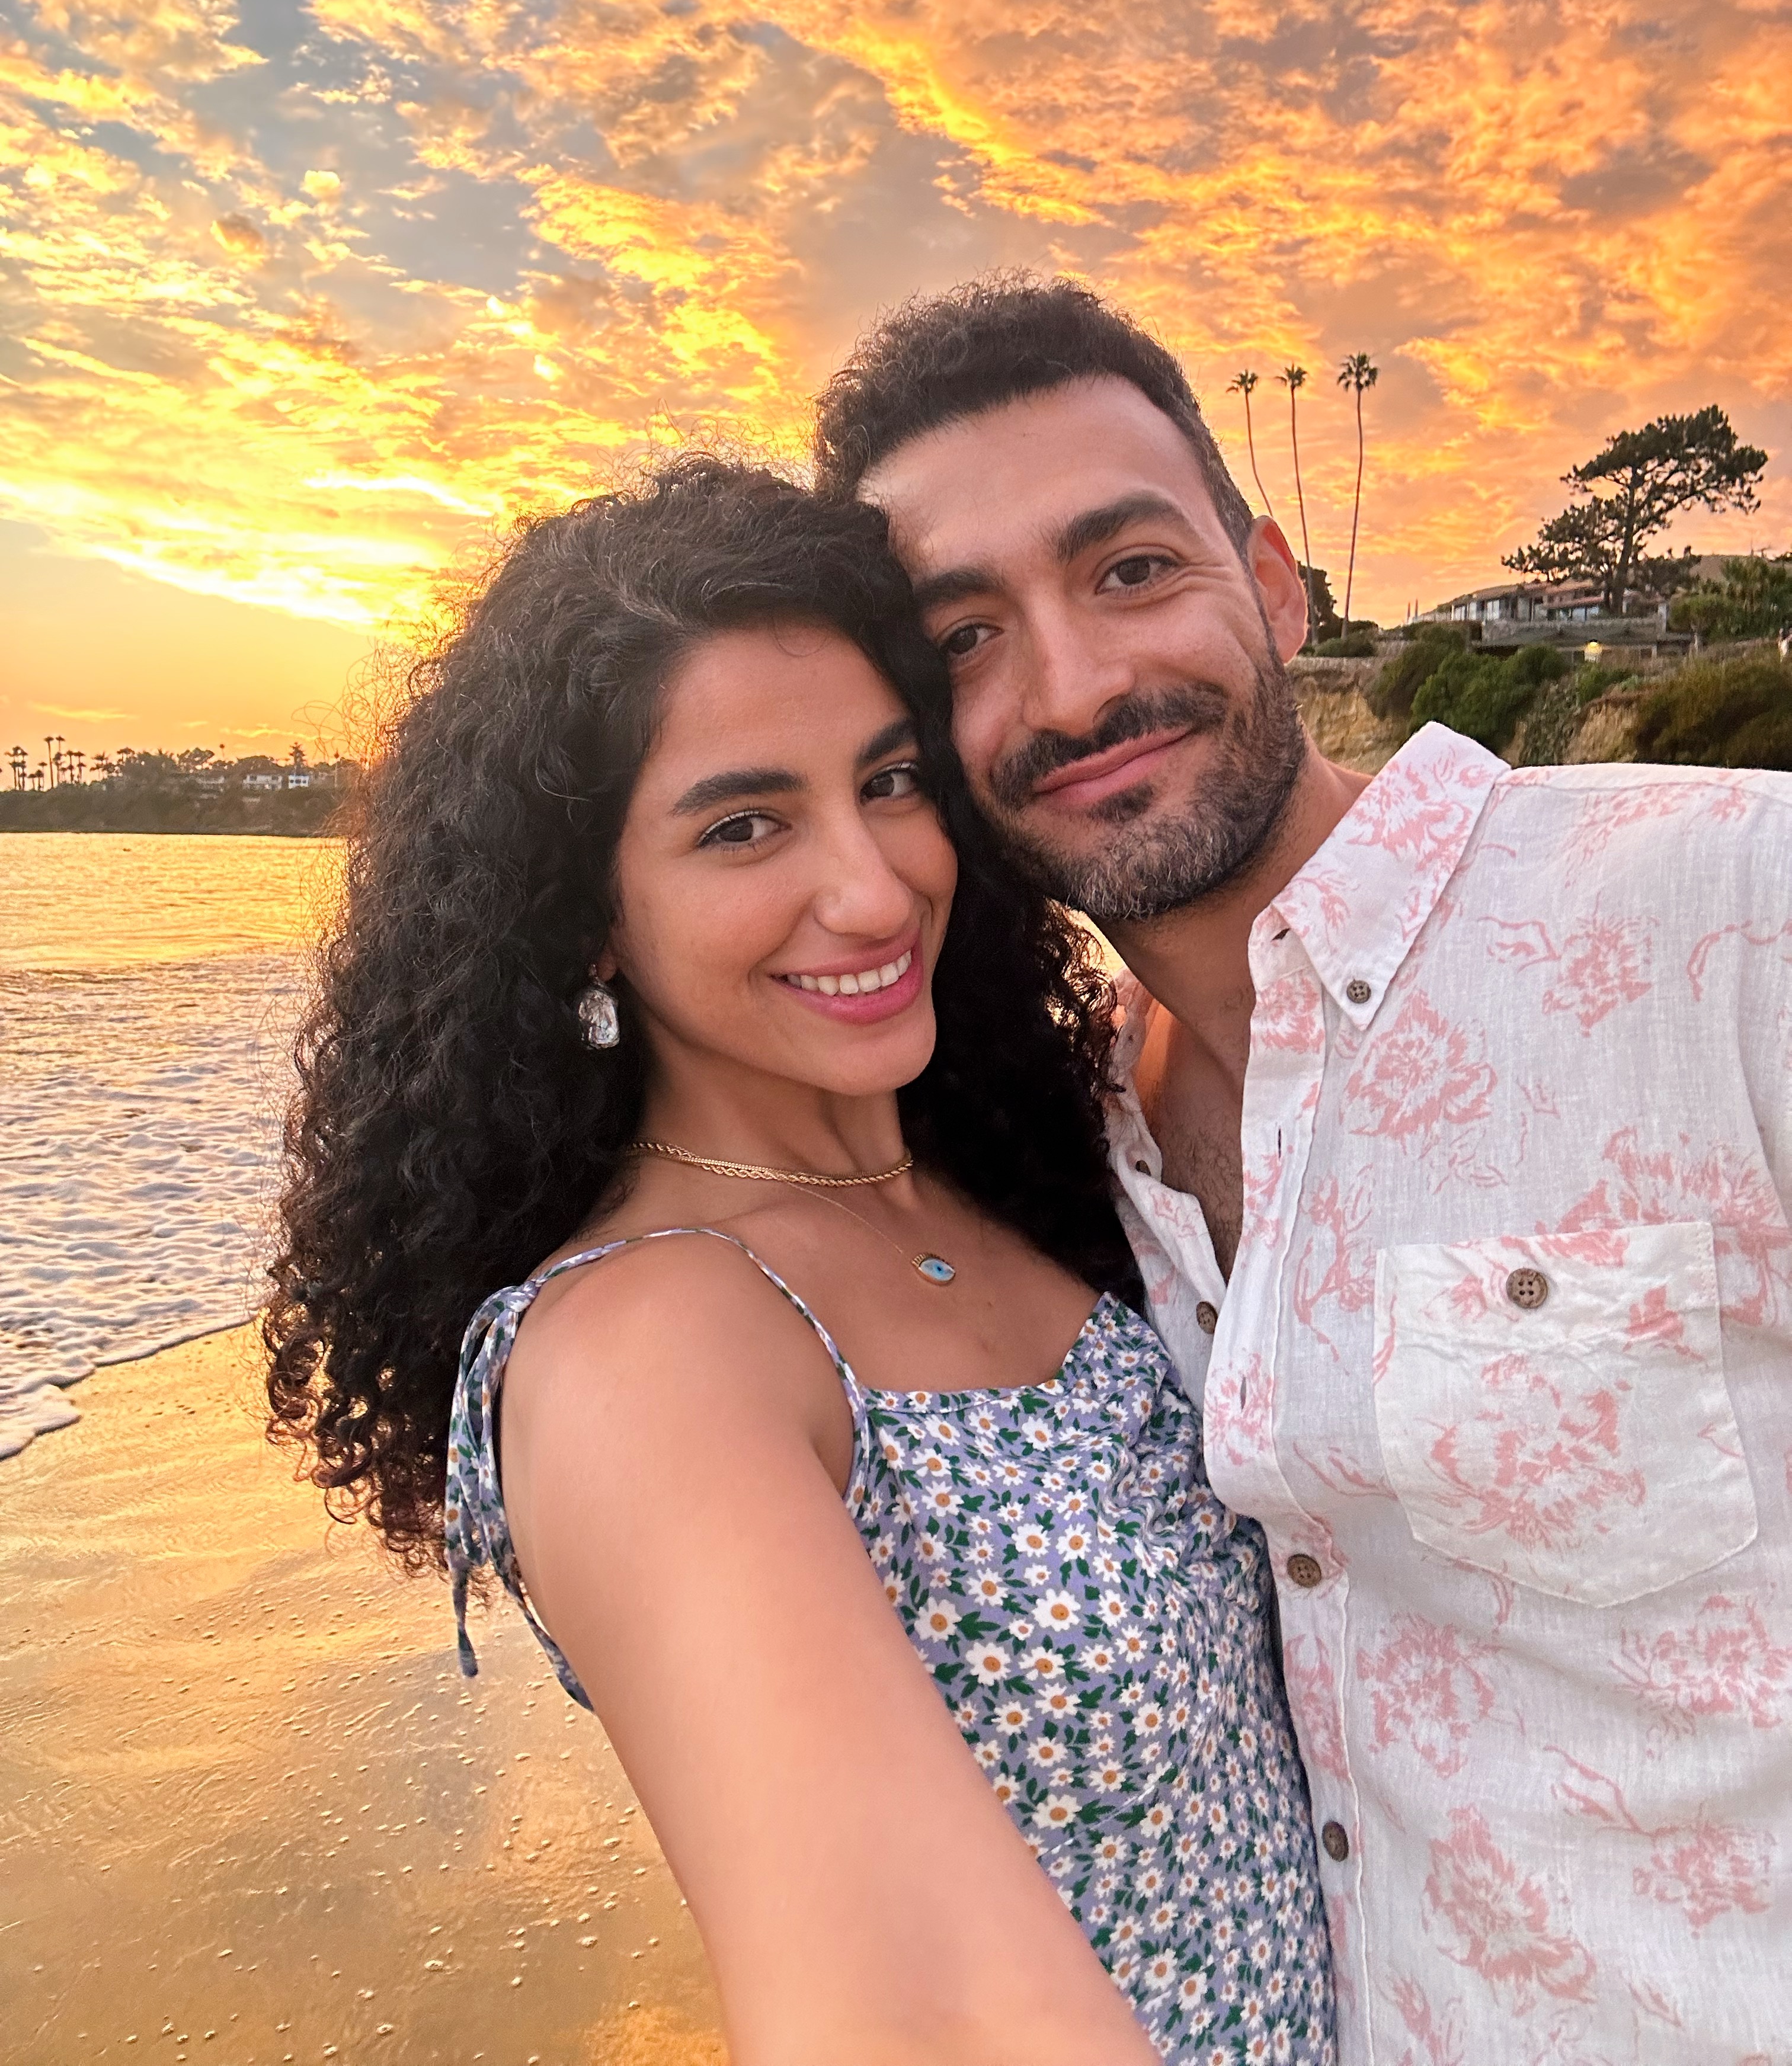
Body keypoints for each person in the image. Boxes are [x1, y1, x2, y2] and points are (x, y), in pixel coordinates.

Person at [815, 275, 1792, 2061]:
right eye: (963, 639)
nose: (1075, 685)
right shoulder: (1080, 1129)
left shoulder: (1729, 909)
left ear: (1277, 589)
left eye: (1131, 569)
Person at [264, 456, 1336, 2066]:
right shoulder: (648, 1349)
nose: (874, 885)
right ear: (585, 918)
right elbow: (915, 2016)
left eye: (891, 782)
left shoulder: (1047, 1171)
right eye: (745, 825)